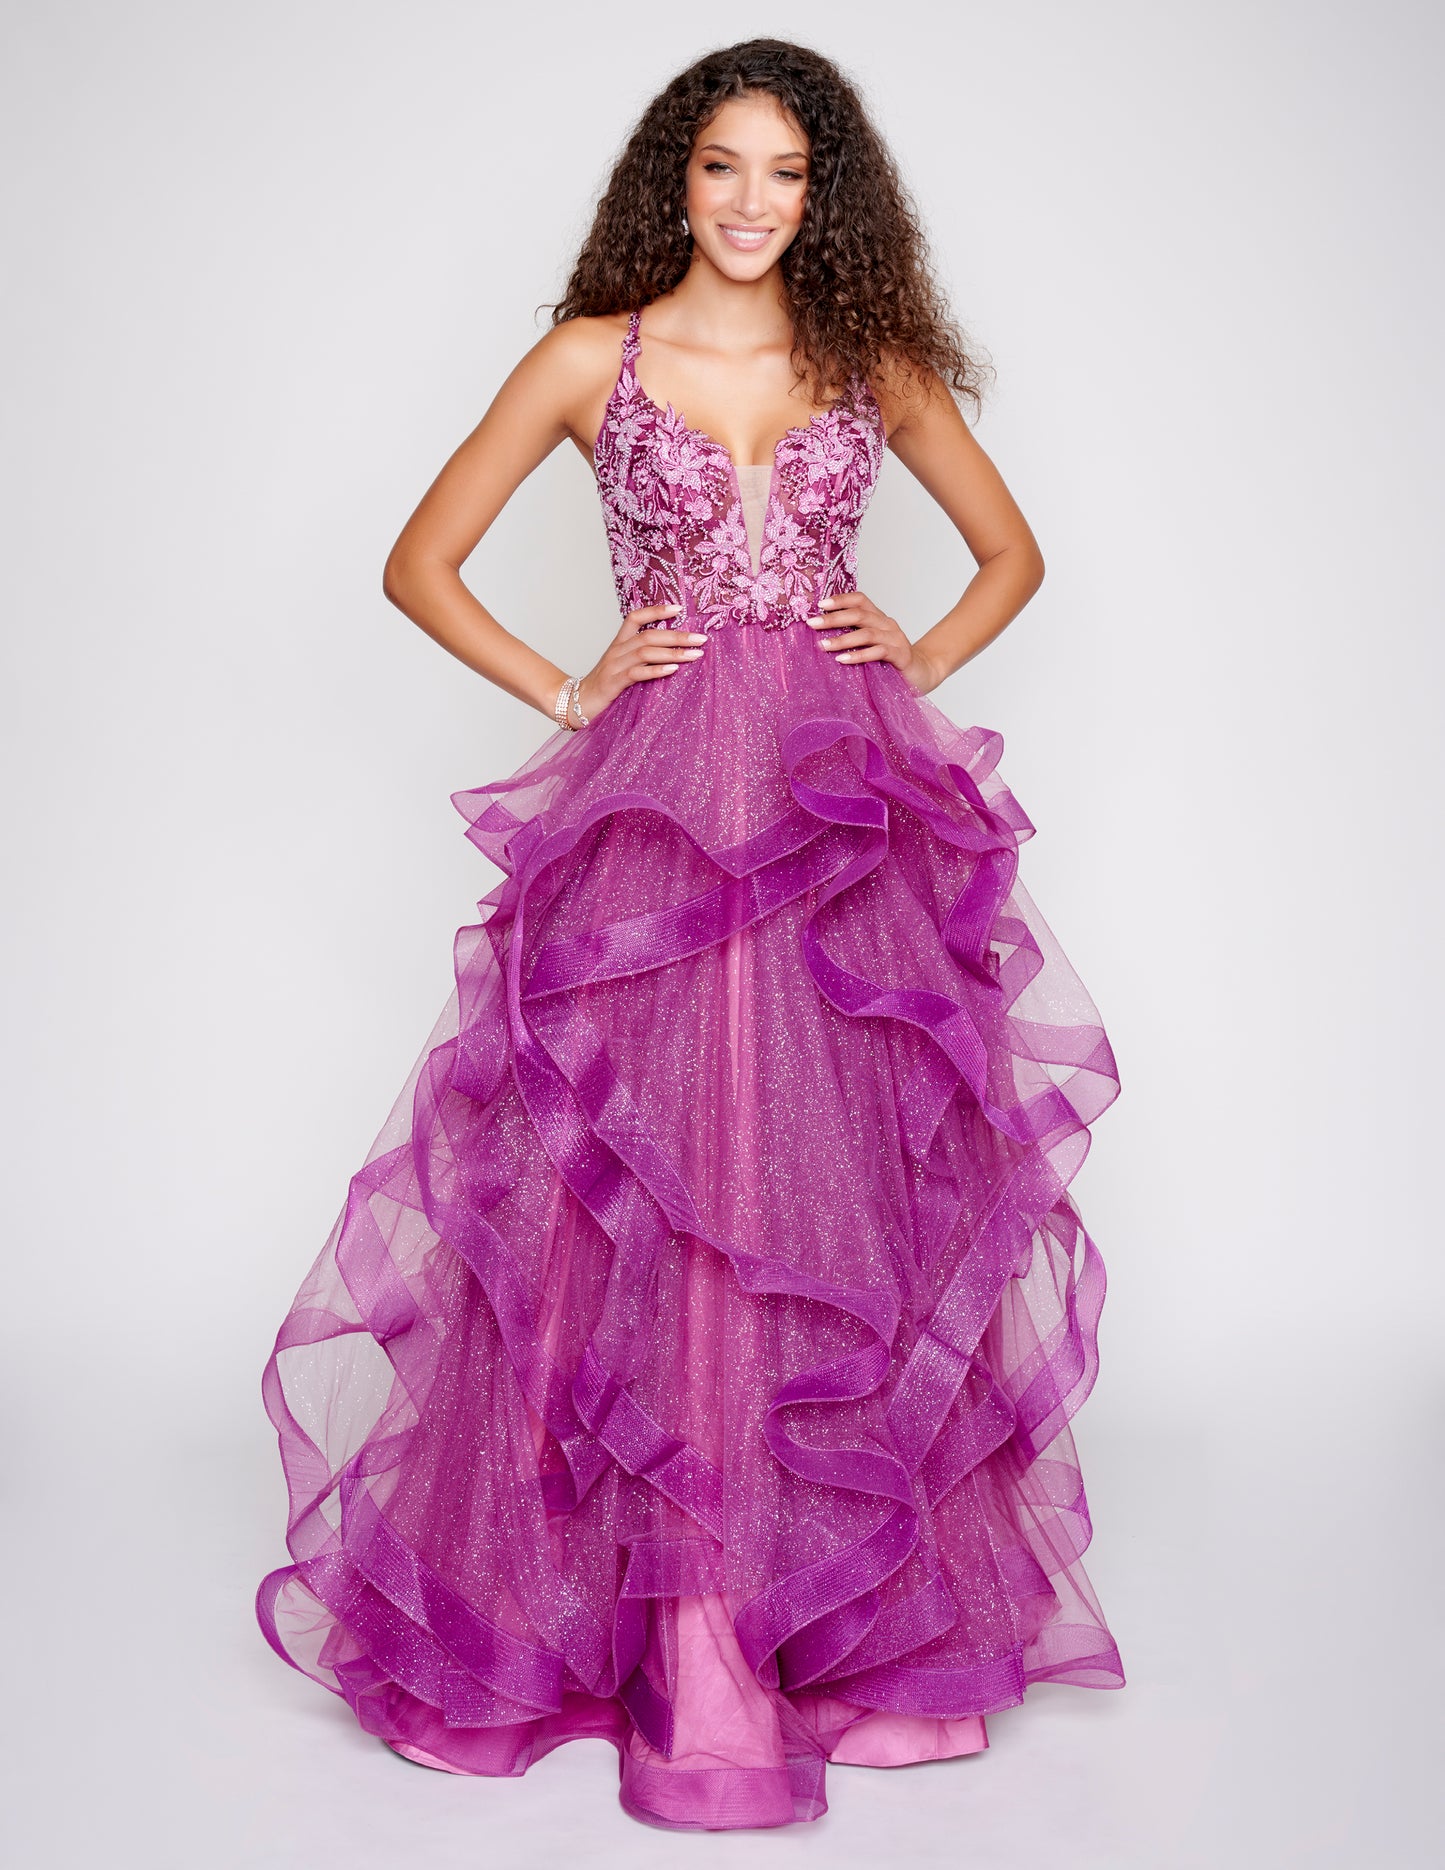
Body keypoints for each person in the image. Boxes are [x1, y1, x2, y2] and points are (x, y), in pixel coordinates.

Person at [256, 36, 1125, 1835]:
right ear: (676, 174)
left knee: (830, 1184)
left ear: (826, 197)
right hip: (656, 808)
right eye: (722, 165)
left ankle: (848, 1625)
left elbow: (1010, 553)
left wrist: (915, 655)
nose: (750, 201)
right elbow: (419, 562)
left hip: (831, 805)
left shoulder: (864, 360)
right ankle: (681, 1635)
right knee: (645, 1190)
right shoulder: (594, 357)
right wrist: (566, 683)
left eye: (786, 173)